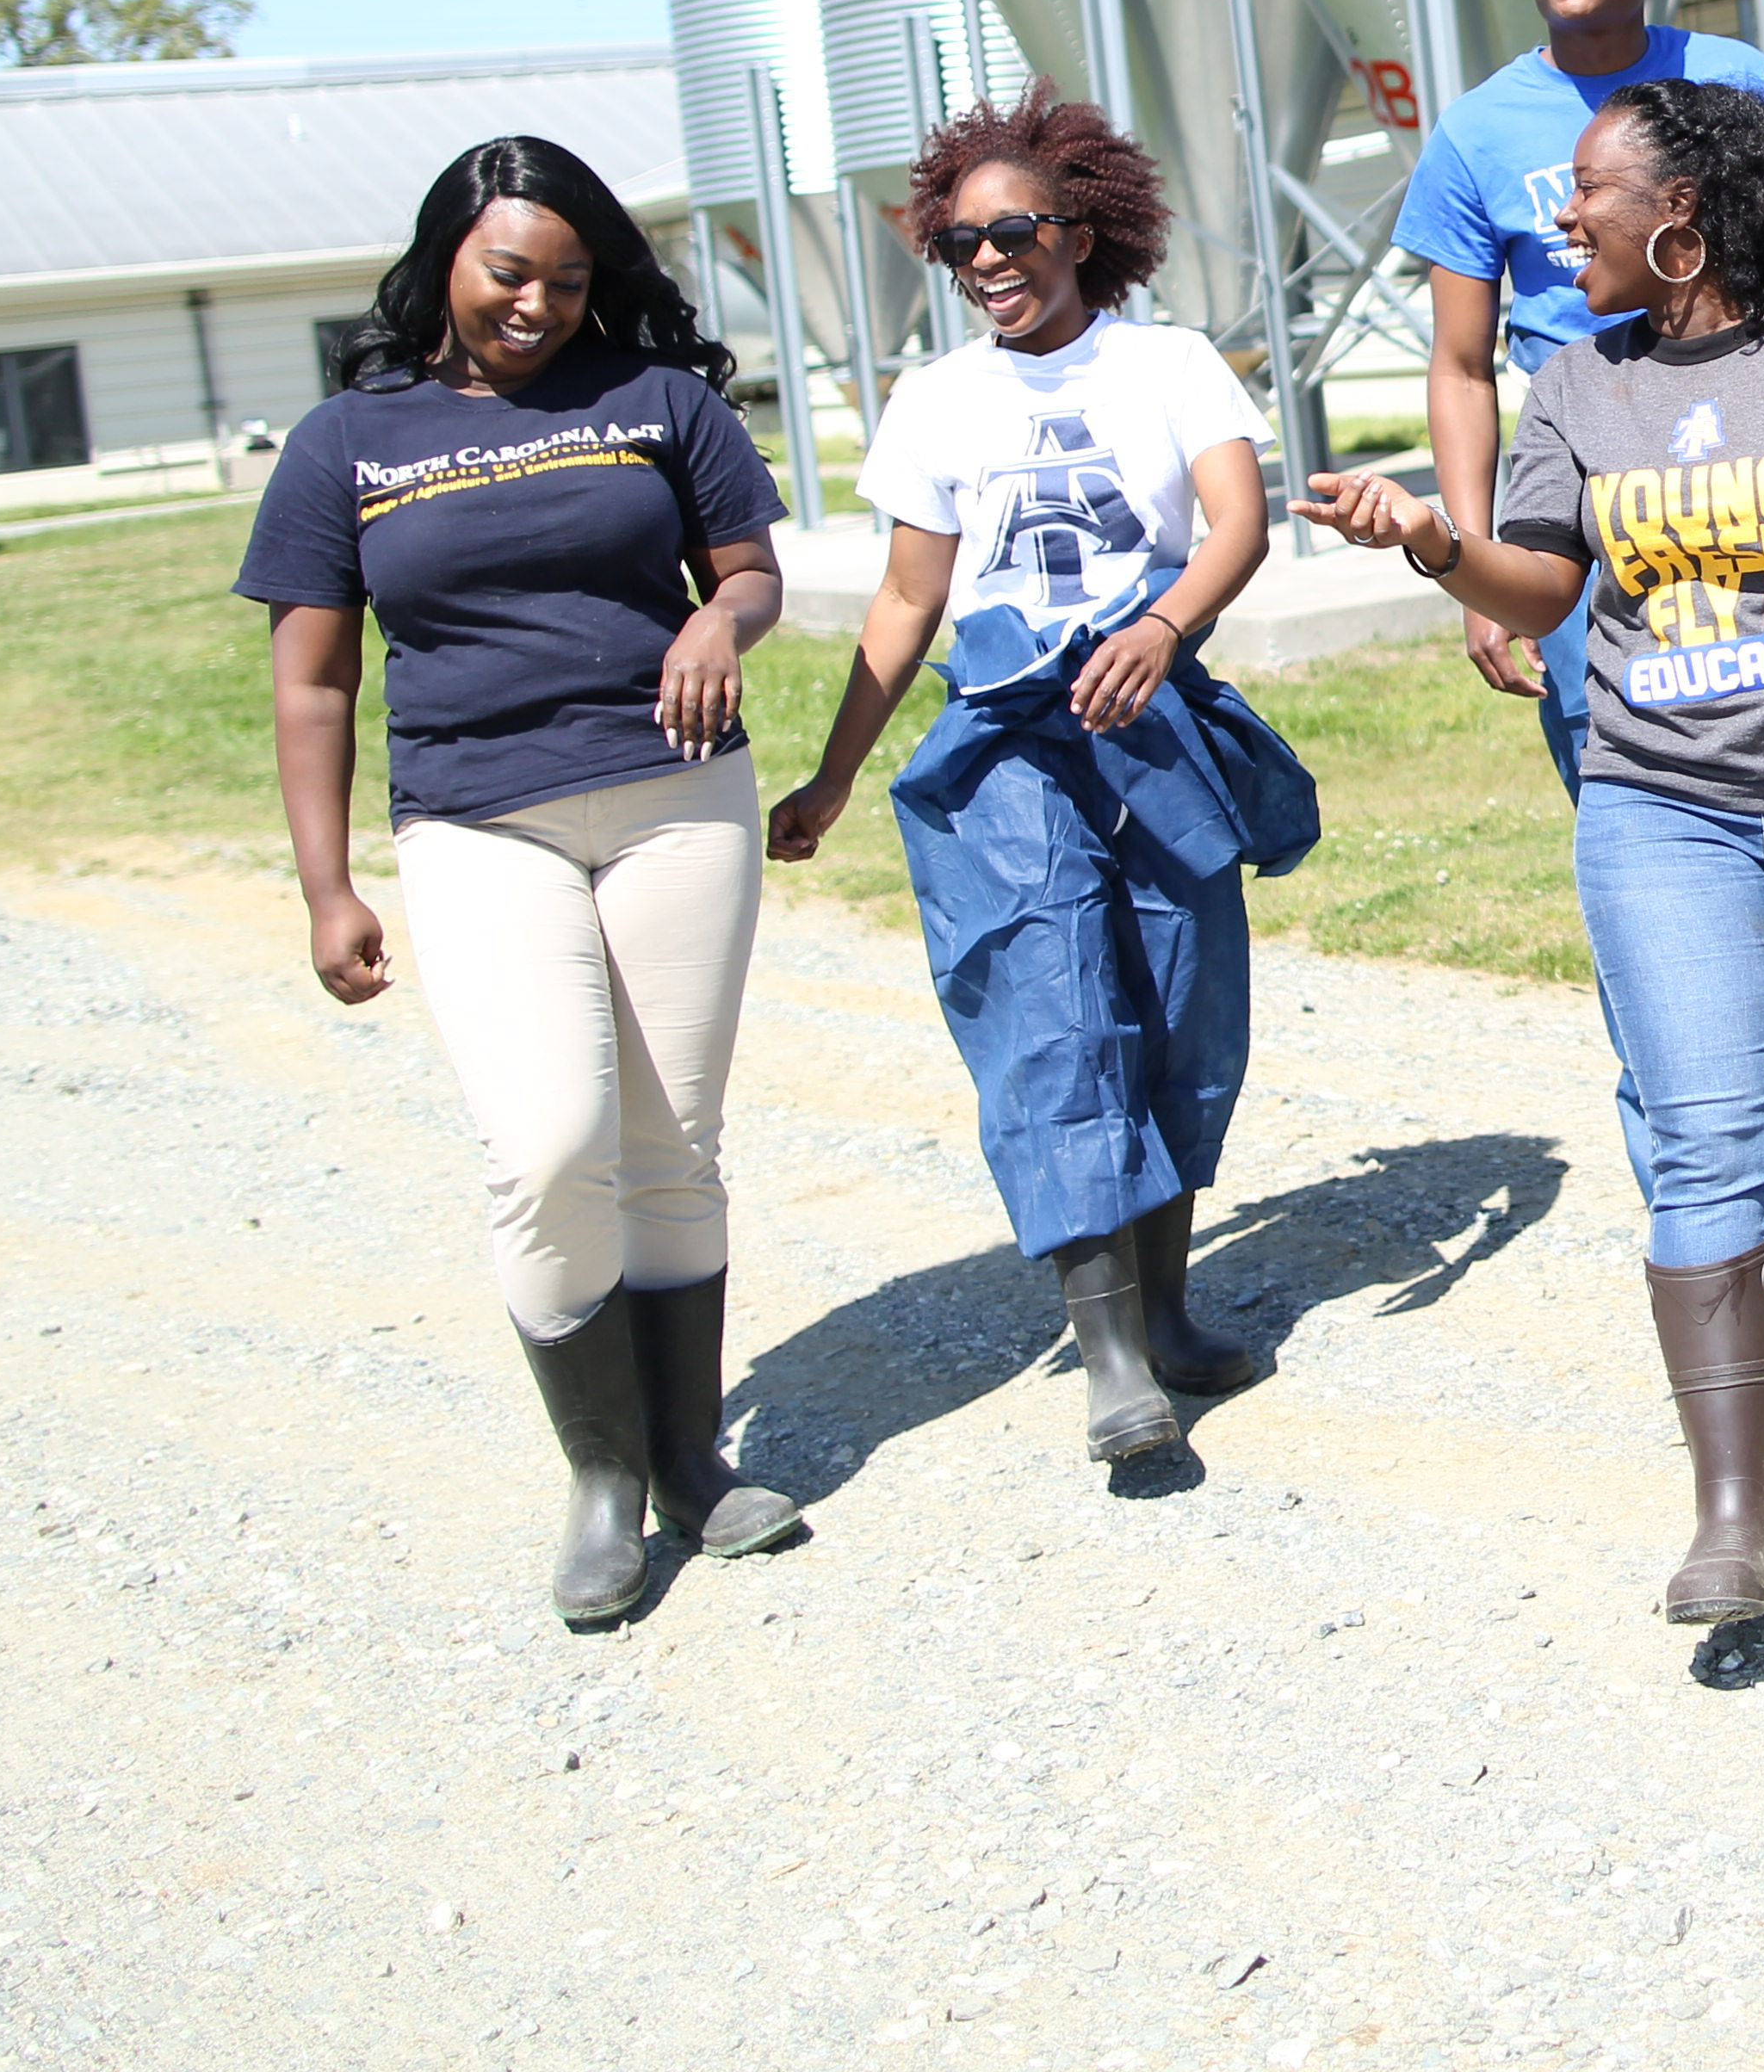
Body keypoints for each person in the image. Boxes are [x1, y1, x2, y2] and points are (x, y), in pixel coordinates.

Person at [1303, 78, 1764, 1624]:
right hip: (1663, 804)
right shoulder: (1573, 383)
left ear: (1681, 223)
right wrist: (1433, 541)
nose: (1559, 218)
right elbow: (1543, 591)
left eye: (1586, 192)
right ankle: (1731, 1509)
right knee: (1705, 1136)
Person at [244, 135, 809, 1629]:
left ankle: (689, 1458)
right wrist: (327, 886)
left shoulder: (661, 402)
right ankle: (600, 1477)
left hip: (680, 805)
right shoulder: (343, 443)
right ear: (446, 258)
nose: (539, 305)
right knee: (551, 1144)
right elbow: (313, 686)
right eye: (510, 272)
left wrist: (718, 627)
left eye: (568, 280)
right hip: (478, 823)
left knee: (670, 1142)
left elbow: (748, 571)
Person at [767, 89, 1320, 1470]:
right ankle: (1113, 1355)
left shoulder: (1172, 362)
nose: (992, 262)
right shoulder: (937, 400)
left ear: (1083, 229)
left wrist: (1159, 629)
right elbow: (907, 598)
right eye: (962, 246)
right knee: (1053, 1007)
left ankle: (1173, 1311)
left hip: (1156, 719)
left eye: (1016, 232)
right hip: (1009, 738)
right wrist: (836, 773)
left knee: (1183, 1004)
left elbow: (1237, 522)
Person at [1397, 0, 1764, 795]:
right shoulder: (1476, 131)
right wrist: (1478, 566)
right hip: (1585, 476)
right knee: (1614, 747)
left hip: (1745, 450)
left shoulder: (1734, 80)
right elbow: (1460, 367)